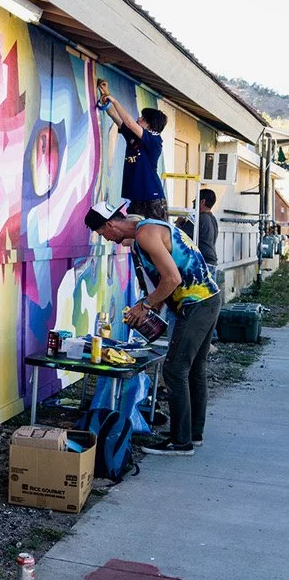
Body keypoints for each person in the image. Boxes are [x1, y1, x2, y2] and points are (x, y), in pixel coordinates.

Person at [85, 201, 221, 455]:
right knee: (194, 370)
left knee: (174, 370)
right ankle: (193, 434)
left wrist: (145, 306)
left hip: (196, 304)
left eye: (103, 234)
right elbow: (165, 283)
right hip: (207, 300)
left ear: (110, 224)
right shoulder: (144, 235)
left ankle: (181, 443)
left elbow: (173, 279)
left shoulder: (145, 234)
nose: (107, 240)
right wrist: (147, 309)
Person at [97, 78, 169, 220]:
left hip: (152, 199)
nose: (138, 119)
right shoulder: (134, 137)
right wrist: (106, 95)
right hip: (136, 198)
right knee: (134, 237)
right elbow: (115, 116)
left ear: (149, 125)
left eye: (142, 118)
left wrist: (115, 100)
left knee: (154, 235)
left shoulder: (154, 140)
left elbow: (129, 122)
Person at [179, 188, 219, 272]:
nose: (193, 201)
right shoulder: (212, 218)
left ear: (202, 201)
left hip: (202, 262)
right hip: (210, 261)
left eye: (196, 199)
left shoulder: (199, 218)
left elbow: (180, 236)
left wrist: (179, 223)